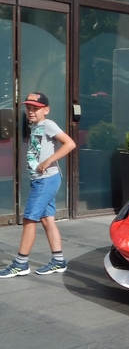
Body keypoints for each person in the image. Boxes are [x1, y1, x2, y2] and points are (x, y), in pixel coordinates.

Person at [0, 92, 76, 278]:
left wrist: (48, 161)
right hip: (40, 179)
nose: (31, 111)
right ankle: (58, 261)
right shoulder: (35, 125)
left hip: (46, 180)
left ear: (46, 110)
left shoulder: (48, 124)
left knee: (29, 219)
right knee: (46, 219)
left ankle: (21, 263)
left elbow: (70, 143)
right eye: (29, 108)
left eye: (36, 108)